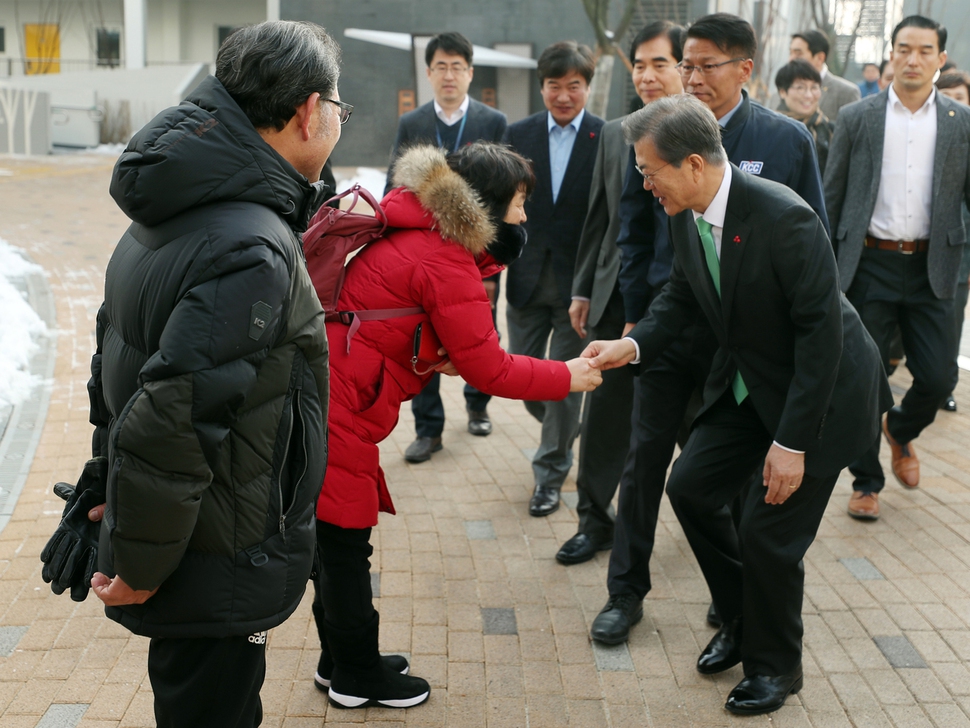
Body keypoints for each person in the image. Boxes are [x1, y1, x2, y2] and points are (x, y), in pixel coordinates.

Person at [584, 94, 890, 716]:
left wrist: (792, 444)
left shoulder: (786, 218)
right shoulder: (684, 210)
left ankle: (777, 668)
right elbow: (681, 295)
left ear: (693, 164)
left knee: (769, 535)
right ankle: (741, 618)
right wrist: (631, 344)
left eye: (650, 171)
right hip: (752, 384)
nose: (644, 185)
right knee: (692, 487)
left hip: (819, 395)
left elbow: (820, 339)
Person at [83, 21, 340, 727]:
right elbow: (176, 419)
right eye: (339, 106)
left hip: (197, 524)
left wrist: (113, 495)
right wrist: (139, 562)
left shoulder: (186, 201)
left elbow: (120, 361)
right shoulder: (247, 244)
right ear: (308, 112)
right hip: (215, 540)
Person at [313, 142, 602, 709]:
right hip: (337, 405)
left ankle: (340, 659)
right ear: (488, 207)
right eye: (518, 204)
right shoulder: (443, 258)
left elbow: (405, 315)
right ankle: (356, 673)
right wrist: (567, 375)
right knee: (344, 544)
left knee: (332, 543)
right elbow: (489, 367)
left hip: (330, 390)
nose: (523, 216)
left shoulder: (422, 230)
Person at [589, 12, 829, 646]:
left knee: (730, 476)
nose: (690, 76)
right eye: (683, 64)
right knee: (647, 462)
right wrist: (636, 325)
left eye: (703, 65)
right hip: (672, 324)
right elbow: (636, 231)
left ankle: (739, 603)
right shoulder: (655, 135)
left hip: (747, 350)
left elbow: (814, 264)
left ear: (743, 68)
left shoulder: (785, 142)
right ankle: (625, 591)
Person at [825, 15, 970, 521]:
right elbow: (833, 194)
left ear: (940, 59)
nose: (913, 59)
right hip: (868, 263)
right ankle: (866, 481)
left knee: (937, 376)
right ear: (891, 53)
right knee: (862, 377)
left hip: (934, 266)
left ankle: (901, 430)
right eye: (904, 49)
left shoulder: (960, 121)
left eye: (924, 51)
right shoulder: (857, 116)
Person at [556, 21, 685, 565]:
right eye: (639, 64)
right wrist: (584, 287)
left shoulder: (705, 132)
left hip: (686, 301)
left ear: (686, 67)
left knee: (692, 420)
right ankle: (594, 519)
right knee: (606, 415)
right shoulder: (617, 131)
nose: (647, 75)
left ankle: (722, 523)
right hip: (619, 296)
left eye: (660, 63)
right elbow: (602, 217)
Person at [384, 32, 509, 462]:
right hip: (424, 257)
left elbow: (503, 199)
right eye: (441, 67)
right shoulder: (412, 122)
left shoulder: (493, 122)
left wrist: (492, 270)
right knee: (422, 338)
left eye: (458, 67)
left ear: (470, 73)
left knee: (479, 333)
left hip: (478, 257)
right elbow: (393, 187)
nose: (450, 75)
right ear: (429, 73)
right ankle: (428, 429)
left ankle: (478, 406)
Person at [502, 42, 605, 517]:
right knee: (525, 381)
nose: (564, 95)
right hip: (524, 278)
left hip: (576, 288)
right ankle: (563, 428)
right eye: (554, 86)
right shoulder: (516, 132)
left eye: (574, 86)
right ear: (542, 86)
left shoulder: (606, 138)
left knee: (564, 383)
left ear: (588, 86)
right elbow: (498, 207)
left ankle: (550, 474)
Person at [936, 69, 970, 412]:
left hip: (961, 250)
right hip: (924, 248)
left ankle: (945, 385)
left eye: (959, 98)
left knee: (953, 319)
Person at [770, 29, 860, 120]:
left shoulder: (846, 93)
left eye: (798, 54)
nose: (791, 59)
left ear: (820, 58)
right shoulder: (778, 94)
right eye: (790, 53)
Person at [775, 59, 835, 175]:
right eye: (800, 88)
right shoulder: (769, 129)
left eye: (814, 88)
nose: (809, 95)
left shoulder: (831, 131)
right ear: (782, 92)